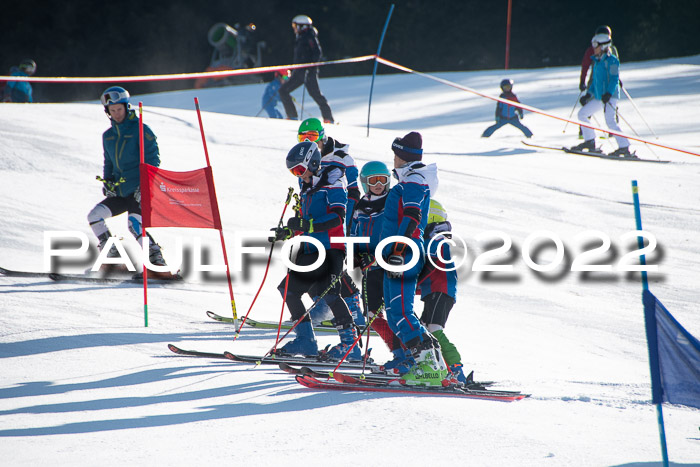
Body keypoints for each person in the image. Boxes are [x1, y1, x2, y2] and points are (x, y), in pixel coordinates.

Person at [270, 141, 360, 360]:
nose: (298, 175)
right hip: (311, 249)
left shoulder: (334, 182)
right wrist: (289, 233)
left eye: (300, 169)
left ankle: (351, 346)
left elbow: (337, 217)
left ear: (314, 162)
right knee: (289, 290)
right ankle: (306, 342)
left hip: (331, 249)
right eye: (293, 172)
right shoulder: (306, 188)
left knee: (330, 293)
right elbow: (305, 223)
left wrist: (307, 226)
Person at [380, 131, 448, 386]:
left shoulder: (414, 181)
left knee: (401, 314)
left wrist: (398, 251)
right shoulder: (412, 179)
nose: (393, 160)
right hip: (396, 252)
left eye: (395, 155)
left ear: (402, 156)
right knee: (396, 313)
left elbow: (411, 216)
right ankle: (435, 365)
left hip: (404, 253)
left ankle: (429, 369)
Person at [87, 86, 170, 274]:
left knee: (133, 224)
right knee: (94, 216)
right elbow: (108, 162)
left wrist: (145, 185)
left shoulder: (141, 129)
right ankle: (113, 256)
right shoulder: (108, 136)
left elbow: (153, 160)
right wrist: (107, 183)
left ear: (126, 107)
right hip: (120, 191)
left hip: (140, 190)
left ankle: (156, 260)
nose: (116, 114)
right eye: (112, 110)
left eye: (119, 109)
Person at [296, 118, 364, 328]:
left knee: (329, 262)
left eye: (312, 137)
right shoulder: (304, 162)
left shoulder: (342, 157)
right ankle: (349, 305)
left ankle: (332, 306)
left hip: (336, 219)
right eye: (303, 138)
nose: (308, 141)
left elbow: (353, 192)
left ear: (322, 136)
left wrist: (347, 223)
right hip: (316, 222)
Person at [351, 161, 407, 371]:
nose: (378, 185)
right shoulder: (360, 206)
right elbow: (355, 235)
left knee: (395, 313)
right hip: (369, 269)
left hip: (388, 265)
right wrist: (357, 257)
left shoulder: (392, 202)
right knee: (372, 315)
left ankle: (410, 354)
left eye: (382, 180)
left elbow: (396, 231)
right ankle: (399, 353)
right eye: (373, 181)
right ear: (365, 183)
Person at [416, 199, 467, 385]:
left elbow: (429, 266)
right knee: (424, 329)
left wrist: (410, 283)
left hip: (441, 291)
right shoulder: (433, 240)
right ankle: (438, 367)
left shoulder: (437, 240)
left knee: (434, 329)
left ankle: (456, 368)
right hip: (435, 292)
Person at [569, 32, 633, 157]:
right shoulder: (597, 62)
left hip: (610, 96)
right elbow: (595, 82)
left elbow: (614, 79)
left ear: (604, 46)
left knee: (610, 121)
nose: (594, 48)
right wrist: (588, 95)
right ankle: (590, 141)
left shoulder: (612, 61)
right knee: (582, 114)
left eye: (596, 45)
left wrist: (608, 93)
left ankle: (624, 147)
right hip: (599, 97)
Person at [277, 15, 334, 123]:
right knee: (283, 90)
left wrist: (311, 68)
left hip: (308, 73)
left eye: (295, 26)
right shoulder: (301, 37)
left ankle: (328, 118)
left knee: (316, 94)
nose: (294, 28)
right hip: (299, 72)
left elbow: (317, 53)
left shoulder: (309, 36)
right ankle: (292, 116)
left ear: (302, 26)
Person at [578, 25, 619, 138]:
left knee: (610, 113)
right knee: (586, 108)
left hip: (608, 86)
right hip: (596, 81)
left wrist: (615, 84)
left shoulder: (612, 52)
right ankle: (585, 133)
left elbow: (614, 71)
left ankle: (615, 135)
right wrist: (583, 83)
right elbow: (585, 65)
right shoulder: (593, 52)